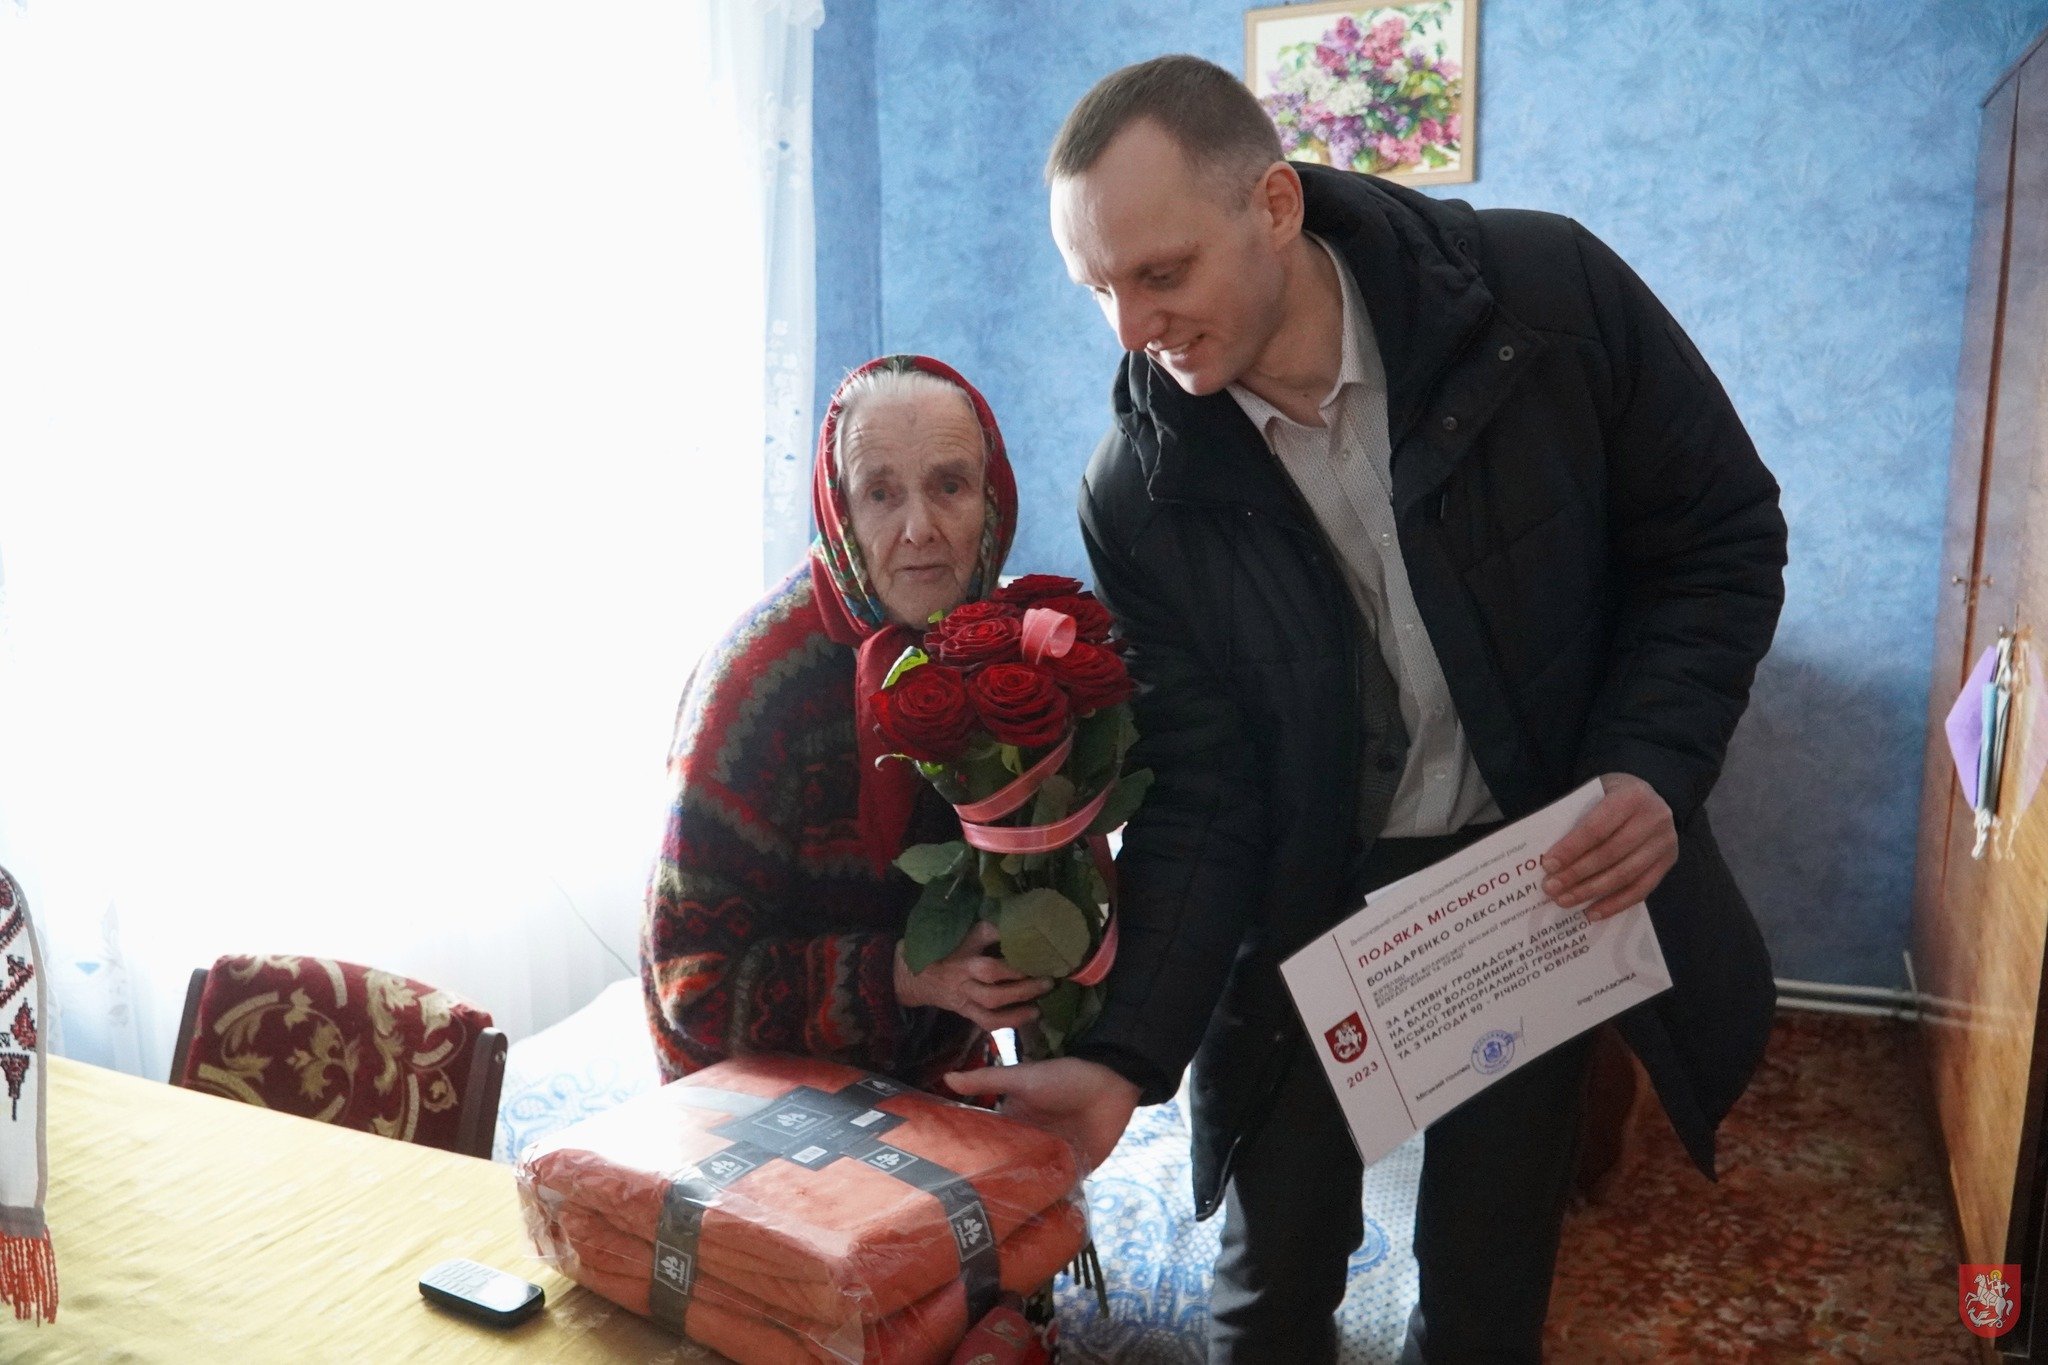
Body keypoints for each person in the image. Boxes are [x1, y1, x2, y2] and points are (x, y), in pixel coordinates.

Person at [947, 55, 1787, 1364]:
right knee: (1265, 1290)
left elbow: (1716, 542)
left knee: (1485, 1292)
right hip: (1305, 899)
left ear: (1275, 206)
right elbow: (1203, 785)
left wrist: (1649, 764)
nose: (1129, 328)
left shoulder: (1546, 300)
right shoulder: (1139, 487)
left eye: (1160, 273)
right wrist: (1124, 1057)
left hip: (1525, 884)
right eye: (1097, 289)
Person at [639, 354, 1056, 1089]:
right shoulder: (757, 686)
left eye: (950, 486)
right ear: (840, 511)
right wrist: (901, 975)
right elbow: (694, 985)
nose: (919, 529)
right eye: (880, 494)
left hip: (929, 1063)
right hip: (755, 1086)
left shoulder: (1003, 651)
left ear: (992, 500)